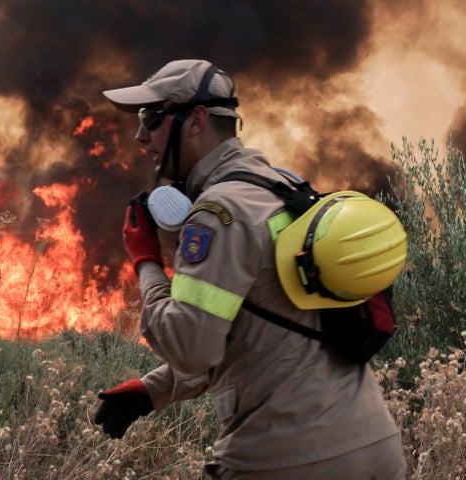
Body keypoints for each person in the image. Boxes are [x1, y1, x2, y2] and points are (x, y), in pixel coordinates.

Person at [94, 59, 406, 479]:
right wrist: (154, 390)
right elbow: (265, 331)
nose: (141, 134)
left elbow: (192, 346)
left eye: (152, 116)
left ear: (196, 120)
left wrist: (146, 260)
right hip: (372, 448)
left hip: (286, 458)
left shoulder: (218, 212)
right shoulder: (282, 188)